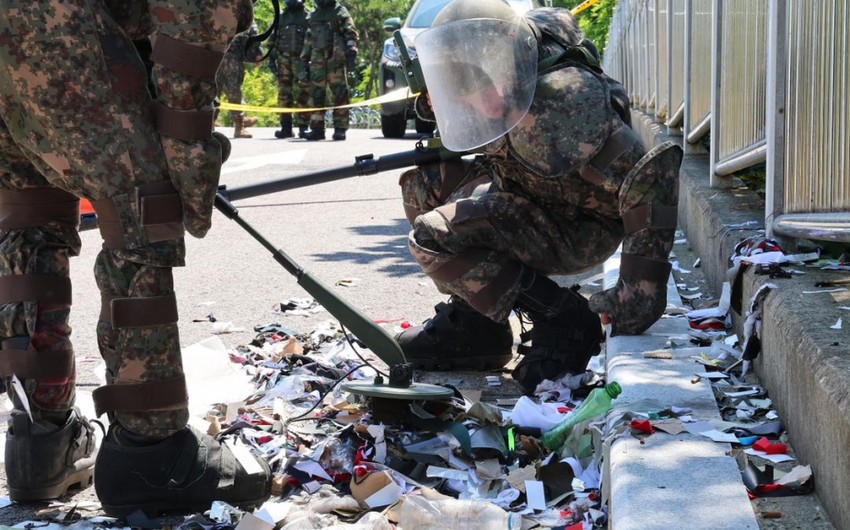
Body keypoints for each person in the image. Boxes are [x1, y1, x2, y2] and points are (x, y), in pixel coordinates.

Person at [0, 0, 272, 517]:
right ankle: (153, 454)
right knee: (142, 217)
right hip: (60, 31)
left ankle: (39, 446)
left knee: (28, 219)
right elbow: (197, 15)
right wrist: (190, 162)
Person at [396, 0, 683, 393]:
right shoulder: (513, 57)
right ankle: (479, 328)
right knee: (422, 186)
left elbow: (651, 175)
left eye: (482, 81)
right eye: (464, 85)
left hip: (578, 225)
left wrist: (639, 293)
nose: (478, 95)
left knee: (433, 235)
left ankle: (564, 319)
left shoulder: (559, 110)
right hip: (529, 187)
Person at [300, 0, 359, 141]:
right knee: (316, 95)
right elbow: (309, 39)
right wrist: (304, 59)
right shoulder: (314, 14)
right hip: (317, 60)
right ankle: (317, 129)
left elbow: (350, 33)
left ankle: (340, 129)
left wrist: (351, 52)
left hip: (335, 59)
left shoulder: (340, 12)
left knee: (340, 93)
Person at [269, 0, 313, 140]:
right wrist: (271, 58)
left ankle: (303, 127)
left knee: (304, 93)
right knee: (284, 95)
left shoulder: (308, 17)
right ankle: (286, 127)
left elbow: (313, 39)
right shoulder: (281, 17)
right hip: (284, 61)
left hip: (302, 60)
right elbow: (273, 38)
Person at [217, 20, 264, 139]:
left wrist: (258, 53)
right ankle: (239, 125)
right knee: (227, 91)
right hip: (224, 55)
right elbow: (253, 33)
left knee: (224, 91)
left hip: (222, 55)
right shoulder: (242, 9)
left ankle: (239, 124)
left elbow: (253, 34)